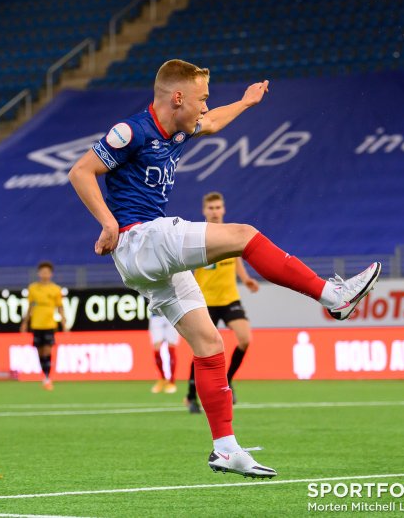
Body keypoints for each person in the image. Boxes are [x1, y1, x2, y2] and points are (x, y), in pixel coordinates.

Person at [67, 59, 381, 479]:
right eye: (201, 97)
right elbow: (81, 170)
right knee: (243, 234)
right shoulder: (132, 131)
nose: (204, 106)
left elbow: (211, 123)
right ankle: (332, 296)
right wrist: (108, 222)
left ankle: (226, 449)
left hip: (144, 261)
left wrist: (247, 103)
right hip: (140, 238)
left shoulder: (178, 127)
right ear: (177, 96)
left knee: (210, 345)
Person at [185, 192, 260, 414]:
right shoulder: (198, 236)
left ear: (223, 210)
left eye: (218, 207)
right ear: (204, 211)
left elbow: (236, 258)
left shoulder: (230, 232)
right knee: (201, 351)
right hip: (205, 301)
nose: (215, 211)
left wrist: (245, 279)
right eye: (211, 208)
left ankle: (226, 382)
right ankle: (191, 396)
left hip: (229, 298)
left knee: (245, 339)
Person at [20, 261, 67, 391]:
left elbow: (60, 307)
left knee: (47, 350)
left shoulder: (56, 289)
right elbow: (30, 307)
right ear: (39, 273)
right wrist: (25, 322)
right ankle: (45, 375)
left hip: (49, 324)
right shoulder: (33, 288)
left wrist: (63, 322)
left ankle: (47, 377)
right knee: (39, 352)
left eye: (47, 272)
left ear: (51, 274)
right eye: (43, 272)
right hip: (36, 324)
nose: (45, 274)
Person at [148, 313, 179, 394]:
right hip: (156, 315)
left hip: (171, 314)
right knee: (156, 349)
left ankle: (171, 381)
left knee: (171, 348)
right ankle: (162, 378)